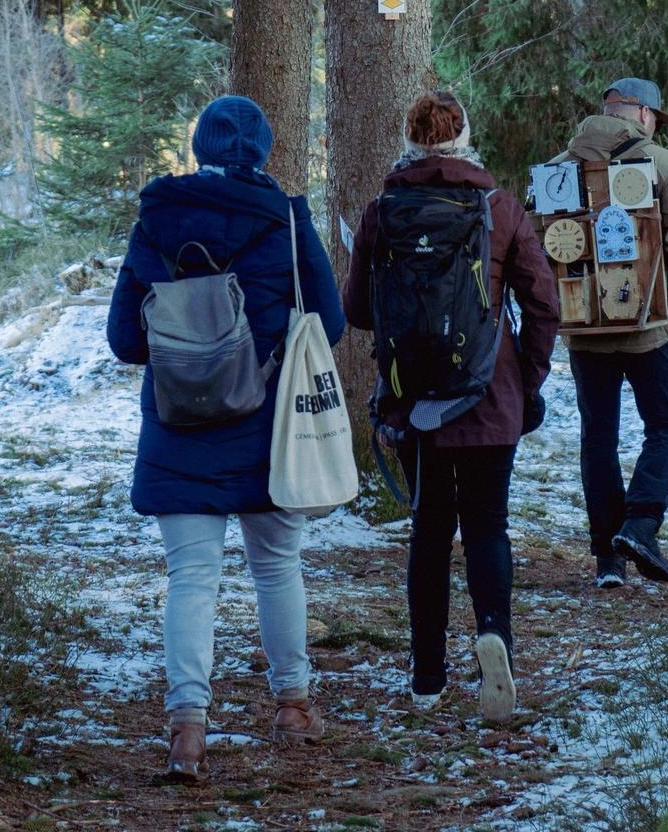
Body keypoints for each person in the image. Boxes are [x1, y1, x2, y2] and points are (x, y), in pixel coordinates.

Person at [106, 95, 346, 781]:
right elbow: (327, 324)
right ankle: (294, 707)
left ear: (197, 147)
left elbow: (126, 340)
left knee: (191, 579)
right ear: (264, 152)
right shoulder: (288, 220)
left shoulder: (156, 219)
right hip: (269, 432)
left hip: (179, 432)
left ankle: (187, 731)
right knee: (277, 567)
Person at [340, 91, 557, 721]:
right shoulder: (498, 208)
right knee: (488, 525)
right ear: (465, 136)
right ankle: (494, 636)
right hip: (490, 397)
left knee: (430, 531)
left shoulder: (384, 211)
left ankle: (427, 673)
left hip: (416, 403)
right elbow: (543, 305)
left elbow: (357, 311)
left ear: (410, 139)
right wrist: (527, 381)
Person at [554, 78, 668, 589]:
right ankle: (641, 525)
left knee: (598, 436)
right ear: (640, 114)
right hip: (650, 329)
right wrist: (650, 276)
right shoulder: (664, 165)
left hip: (583, 326)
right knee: (667, 425)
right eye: (654, 118)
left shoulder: (556, 169)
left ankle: (607, 561)